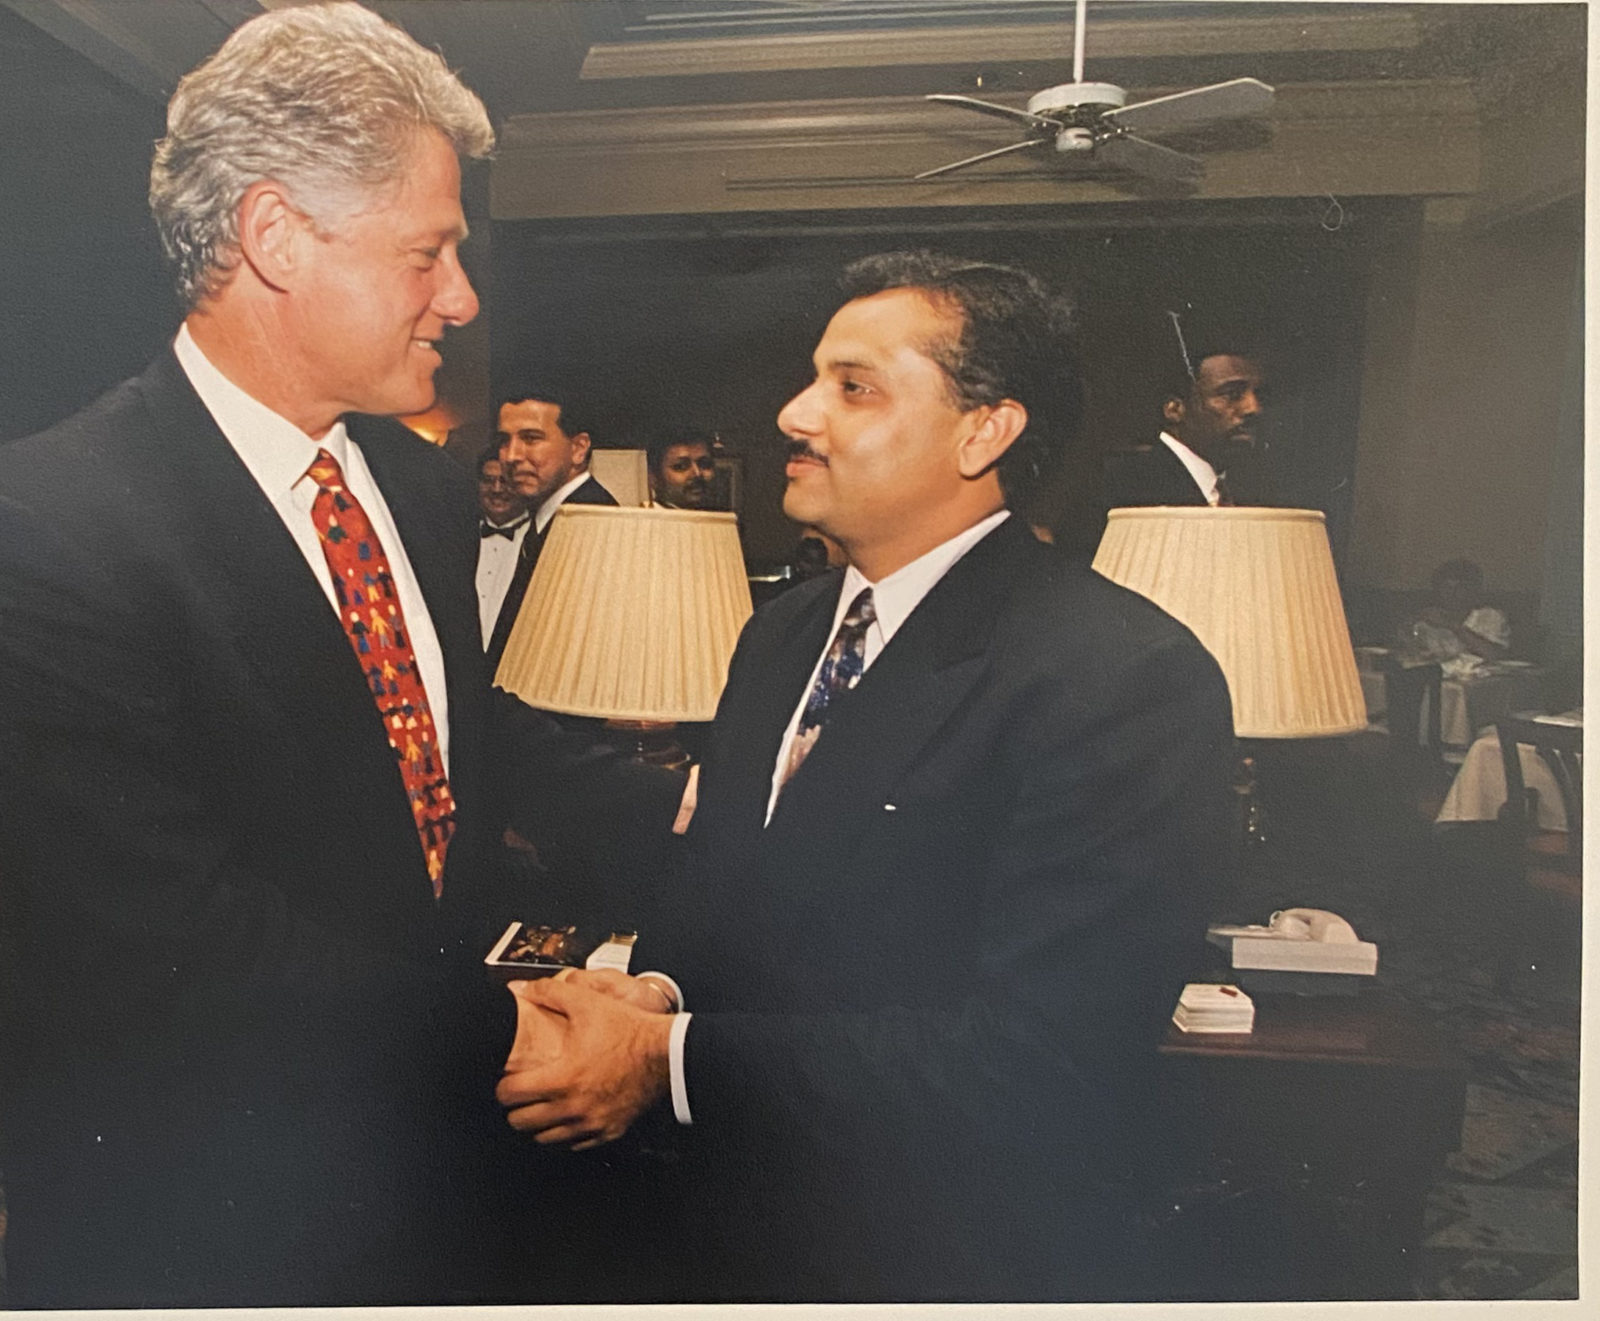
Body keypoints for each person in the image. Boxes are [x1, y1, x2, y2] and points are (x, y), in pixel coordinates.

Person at [0, 5, 678, 1307]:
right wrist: (523, 1028)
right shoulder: (38, 532)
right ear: (274, 235)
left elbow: (449, 731)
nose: (462, 297)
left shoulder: (414, 487)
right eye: (428, 252)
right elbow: (178, 939)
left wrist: (694, 801)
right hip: (206, 1217)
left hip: (429, 1169)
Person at [496, 251, 1239, 1302]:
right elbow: (722, 900)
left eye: (853, 387)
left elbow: (1041, 1060)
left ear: (984, 432)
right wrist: (648, 993)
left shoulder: (1120, 675)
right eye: (812, 378)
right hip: (717, 1230)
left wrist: (665, 1058)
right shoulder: (781, 632)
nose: (794, 414)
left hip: (928, 1257)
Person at [485, 390, 616, 666]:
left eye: (531, 439)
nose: (511, 455)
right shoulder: (549, 518)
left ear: (578, 449)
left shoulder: (595, 523)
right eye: (504, 441)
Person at [1104, 348, 1269, 508]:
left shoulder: (1246, 484)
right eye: (1232, 394)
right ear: (1174, 409)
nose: (1253, 408)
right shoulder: (1129, 485)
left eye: (1259, 394)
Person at [1407, 557, 1511, 672]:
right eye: (1446, 587)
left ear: (1473, 591)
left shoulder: (1490, 616)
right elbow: (1414, 655)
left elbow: (1496, 656)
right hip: (1442, 678)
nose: (1452, 593)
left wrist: (1453, 626)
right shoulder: (1429, 619)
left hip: (1484, 679)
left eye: (1460, 587)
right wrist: (1409, 627)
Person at [473, 442, 528, 647]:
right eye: (488, 481)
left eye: (506, 481)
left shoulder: (540, 541)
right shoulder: (459, 537)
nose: (496, 489)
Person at [647, 427, 720, 510]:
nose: (697, 473)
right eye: (681, 466)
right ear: (653, 477)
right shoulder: (644, 517)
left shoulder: (723, 516)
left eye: (705, 464)